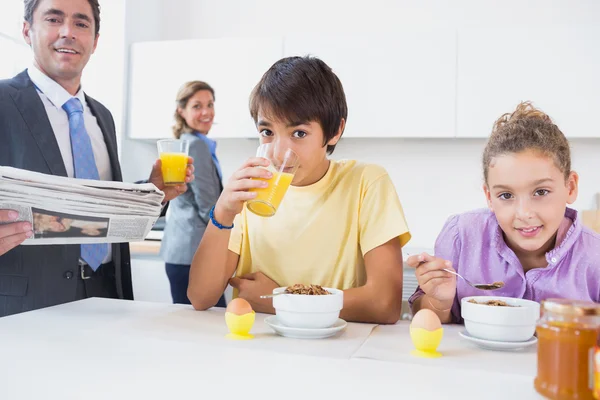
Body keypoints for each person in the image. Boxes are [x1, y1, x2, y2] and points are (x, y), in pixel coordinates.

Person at [0, 0, 192, 317]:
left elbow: (96, 207)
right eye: (53, 19)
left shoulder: (102, 116)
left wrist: (152, 192)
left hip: (105, 292)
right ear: (26, 30)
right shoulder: (4, 102)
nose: (68, 32)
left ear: (95, 41)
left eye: (81, 23)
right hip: (28, 301)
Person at [188, 56, 411, 324]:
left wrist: (280, 300)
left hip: (340, 351)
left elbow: (384, 304)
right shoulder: (252, 190)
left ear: (335, 131)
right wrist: (222, 212)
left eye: (299, 133)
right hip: (258, 350)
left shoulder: (366, 182)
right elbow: (200, 297)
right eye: (267, 132)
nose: (279, 152)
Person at [407, 101, 600, 323]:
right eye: (506, 196)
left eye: (541, 192)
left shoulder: (594, 257)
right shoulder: (462, 236)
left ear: (571, 187)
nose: (524, 213)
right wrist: (439, 302)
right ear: (489, 197)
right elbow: (430, 318)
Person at [160, 81, 226, 307]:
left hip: (181, 253)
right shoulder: (195, 146)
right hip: (193, 255)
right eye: (197, 106)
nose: (206, 112)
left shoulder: (190, 143)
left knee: (192, 328)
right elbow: (209, 207)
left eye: (210, 104)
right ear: (182, 111)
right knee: (209, 326)